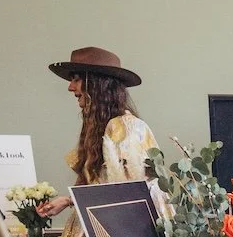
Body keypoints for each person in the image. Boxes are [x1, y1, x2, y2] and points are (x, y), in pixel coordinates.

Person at [35, 47, 158, 225]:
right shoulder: (98, 129)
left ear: (98, 84)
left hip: (117, 228)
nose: (70, 88)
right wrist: (67, 200)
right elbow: (96, 183)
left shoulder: (126, 127)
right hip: (100, 224)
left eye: (76, 79)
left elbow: (129, 194)